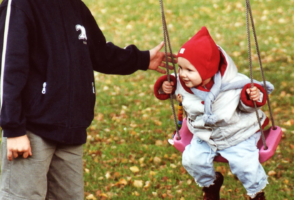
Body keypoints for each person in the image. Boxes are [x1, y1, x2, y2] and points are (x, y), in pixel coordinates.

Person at [0, 0, 174, 199]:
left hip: (71, 132)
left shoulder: (76, 6)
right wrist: (13, 129)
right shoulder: (21, 5)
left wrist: (142, 59)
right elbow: (9, 69)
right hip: (31, 132)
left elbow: (100, 53)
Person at [153, 26, 274, 200]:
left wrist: (252, 97)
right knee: (192, 160)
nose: (183, 74)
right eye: (180, 68)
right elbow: (174, 91)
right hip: (204, 135)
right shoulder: (181, 82)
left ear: (207, 70)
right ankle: (211, 184)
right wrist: (167, 88)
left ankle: (256, 193)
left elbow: (248, 107)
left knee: (245, 165)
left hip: (237, 133)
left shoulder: (234, 84)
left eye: (189, 70)